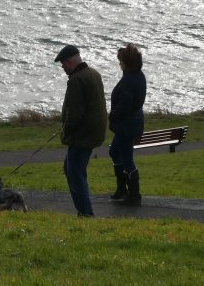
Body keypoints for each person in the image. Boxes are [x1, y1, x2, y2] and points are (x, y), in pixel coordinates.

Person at [54, 44, 107, 217]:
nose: (63, 68)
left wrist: (65, 131)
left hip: (82, 136)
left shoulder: (76, 79)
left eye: (63, 65)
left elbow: (74, 112)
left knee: (75, 175)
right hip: (93, 132)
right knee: (71, 168)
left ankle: (85, 213)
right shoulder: (93, 73)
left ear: (69, 62)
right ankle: (84, 211)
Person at [108, 42, 147, 206]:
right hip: (134, 122)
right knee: (114, 151)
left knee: (127, 158)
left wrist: (112, 116)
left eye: (121, 61)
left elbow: (124, 106)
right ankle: (122, 188)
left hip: (126, 126)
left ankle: (134, 193)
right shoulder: (138, 76)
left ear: (126, 63)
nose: (119, 63)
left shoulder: (128, 82)